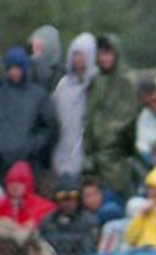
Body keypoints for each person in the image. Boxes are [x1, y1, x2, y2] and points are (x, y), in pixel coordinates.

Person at [0, 47, 55, 184]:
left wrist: (32, 145)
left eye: (18, 67)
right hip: (0, 165)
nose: (15, 72)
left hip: (30, 164)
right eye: (11, 67)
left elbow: (49, 128)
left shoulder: (39, 95)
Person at [82, 35, 137, 199]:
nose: (105, 58)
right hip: (94, 159)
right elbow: (89, 116)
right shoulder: (96, 82)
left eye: (108, 53)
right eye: (101, 54)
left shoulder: (127, 81)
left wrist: (110, 140)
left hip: (117, 157)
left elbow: (127, 119)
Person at [50, 32, 96, 181]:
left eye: (82, 55)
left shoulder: (97, 85)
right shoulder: (63, 85)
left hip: (89, 152)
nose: (78, 59)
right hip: (64, 146)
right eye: (75, 54)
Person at [0, 161, 55, 233]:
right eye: (11, 182)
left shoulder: (44, 206)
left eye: (20, 182)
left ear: (28, 184)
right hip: (0, 247)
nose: (15, 186)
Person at [38, 175, 98, 255]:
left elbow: (88, 254)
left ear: (78, 198)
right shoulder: (47, 222)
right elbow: (42, 250)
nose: (67, 202)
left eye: (72, 197)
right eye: (62, 197)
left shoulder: (89, 222)